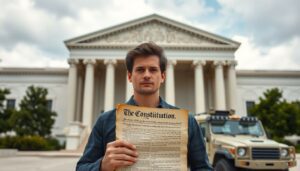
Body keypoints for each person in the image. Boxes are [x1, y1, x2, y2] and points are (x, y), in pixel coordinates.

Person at [76, 42, 213, 171]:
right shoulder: (106, 121)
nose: (147, 75)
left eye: (153, 70)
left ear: (163, 76)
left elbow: (203, 168)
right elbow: (81, 168)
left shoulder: (187, 122)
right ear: (130, 76)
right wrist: (102, 165)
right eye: (140, 70)